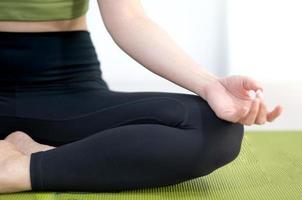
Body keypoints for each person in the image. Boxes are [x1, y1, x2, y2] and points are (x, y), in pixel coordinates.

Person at [0, 0, 283, 193]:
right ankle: (54, 159)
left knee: (215, 128)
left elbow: (130, 18)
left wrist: (210, 85)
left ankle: (17, 169)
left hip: (65, 90)